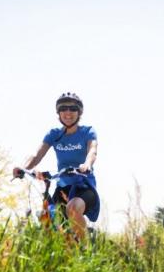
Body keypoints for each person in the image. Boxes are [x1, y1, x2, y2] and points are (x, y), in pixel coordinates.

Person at [13, 92, 99, 240]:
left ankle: (86, 252)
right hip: (62, 187)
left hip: (83, 186)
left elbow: (92, 150)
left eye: (73, 108)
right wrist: (23, 167)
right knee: (48, 221)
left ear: (79, 112)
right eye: (63, 108)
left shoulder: (87, 131)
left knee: (72, 208)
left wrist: (86, 164)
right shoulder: (54, 134)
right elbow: (36, 155)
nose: (68, 112)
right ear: (58, 113)